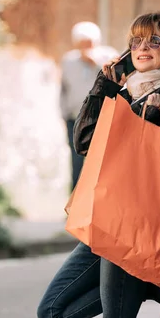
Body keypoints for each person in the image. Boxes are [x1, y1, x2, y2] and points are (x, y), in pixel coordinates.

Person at [38, 12, 160, 318]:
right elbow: (83, 142)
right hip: (106, 219)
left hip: (134, 225)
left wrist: (149, 116)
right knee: (51, 312)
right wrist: (104, 85)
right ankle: (151, 283)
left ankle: (149, 281)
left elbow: (159, 167)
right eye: (136, 41)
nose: (142, 47)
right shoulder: (124, 93)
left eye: (155, 41)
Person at [60, 22, 118, 191]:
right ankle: (74, 205)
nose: (86, 47)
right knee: (76, 161)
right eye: (82, 44)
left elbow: (115, 82)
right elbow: (63, 89)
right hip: (74, 118)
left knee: (102, 161)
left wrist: (96, 65)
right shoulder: (68, 61)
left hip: (102, 117)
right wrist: (64, 114)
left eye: (89, 43)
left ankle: (99, 203)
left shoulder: (109, 56)